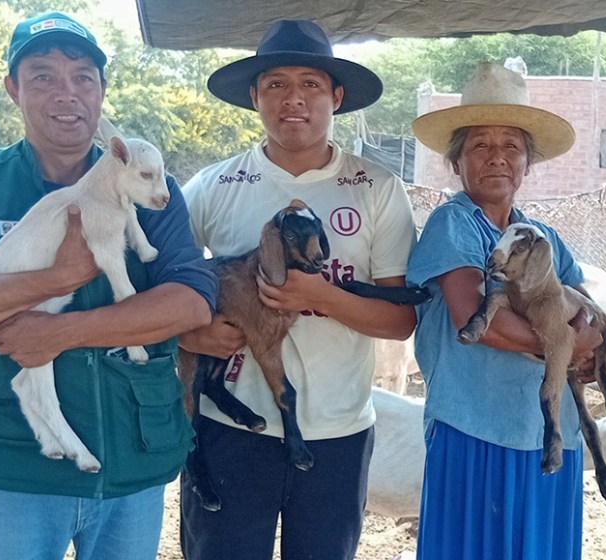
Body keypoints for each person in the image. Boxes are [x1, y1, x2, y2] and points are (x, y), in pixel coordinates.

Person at [0, 12, 216, 560]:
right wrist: (56, 278)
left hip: (131, 465)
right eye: (42, 76)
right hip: (15, 470)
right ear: (12, 89)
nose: (67, 93)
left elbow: (192, 301)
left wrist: (62, 331)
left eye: (83, 77)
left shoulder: (149, 187)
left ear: (102, 90)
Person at [177, 19, 418, 560]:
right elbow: (157, 284)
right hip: (229, 430)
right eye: (276, 84)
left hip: (340, 431)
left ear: (336, 97)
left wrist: (319, 297)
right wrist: (188, 334)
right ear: (254, 96)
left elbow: (401, 321)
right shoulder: (214, 187)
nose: (294, 99)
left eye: (310, 83)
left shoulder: (377, 189)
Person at [406, 62, 603, 560]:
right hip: (476, 429)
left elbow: (589, 316)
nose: (497, 157)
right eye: (480, 145)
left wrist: (584, 344)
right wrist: (565, 345)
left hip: (546, 434)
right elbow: (479, 321)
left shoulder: (543, 238)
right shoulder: (454, 224)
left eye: (512, 146)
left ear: (527, 163)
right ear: (456, 162)